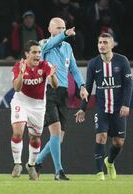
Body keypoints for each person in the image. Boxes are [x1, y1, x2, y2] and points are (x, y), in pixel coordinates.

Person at [35, 17, 88, 180]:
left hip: (63, 93)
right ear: (50, 30)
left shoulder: (67, 47)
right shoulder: (43, 45)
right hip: (48, 91)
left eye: (63, 27)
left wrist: (82, 86)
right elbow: (52, 43)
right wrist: (64, 33)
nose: (61, 30)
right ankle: (59, 172)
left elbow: (74, 68)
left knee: (59, 138)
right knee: (56, 132)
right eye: (58, 28)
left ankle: (36, 163)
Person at [74, 33, 133, 181]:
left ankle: (109, 162)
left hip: (118, 108)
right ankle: (100, 173)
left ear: (112, 45)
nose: (101, 45)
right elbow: (88, 86)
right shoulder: (93, 63)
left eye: (105, 42)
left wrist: (126, 104)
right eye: (99, 42)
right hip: (102, 108)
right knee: (101, 137)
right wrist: (82, 107)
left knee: (118, 143)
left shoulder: (122, 61)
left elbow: (128, 85)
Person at [10, 40, 58, 181]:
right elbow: (17, 88)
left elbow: (55, 85)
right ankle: (17, 163)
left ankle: (31, 165)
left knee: (35, 137)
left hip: (38, 106)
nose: (38, 55)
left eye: (39, 52)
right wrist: (21, 74)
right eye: (34, 52)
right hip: (21, 101)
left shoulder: (45, 65)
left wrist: (53, 76)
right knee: (18, 132)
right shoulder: (19, 66)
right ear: (27, 54)